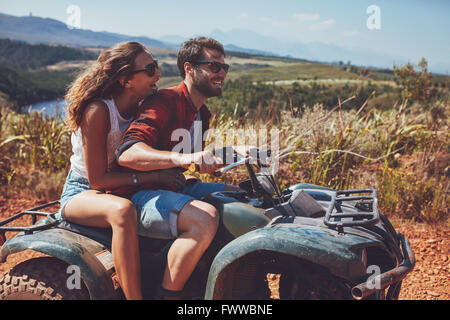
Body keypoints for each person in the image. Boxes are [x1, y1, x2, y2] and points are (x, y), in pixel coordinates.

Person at [57, 41, 184, 300]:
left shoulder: (142, 106)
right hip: (83, 190)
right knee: (122, 211)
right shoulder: (99, 110)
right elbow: (97, 179)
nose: (157, 73)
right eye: (149, 69)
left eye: (156, 65)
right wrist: (156, 176)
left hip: (123, 185)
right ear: (126, 80)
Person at [113, 37, 236, 299]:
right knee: (205, 218)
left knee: (239, 197)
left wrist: (234, 155)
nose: (222, 74)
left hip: (170, 186)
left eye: (225, 68)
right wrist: (182, 159)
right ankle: (168, 295)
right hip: (135, 193)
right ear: (189, 68)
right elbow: (128, 153)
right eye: (214, 67)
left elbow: (196, 163)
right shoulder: (164, 101)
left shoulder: (202, 114)